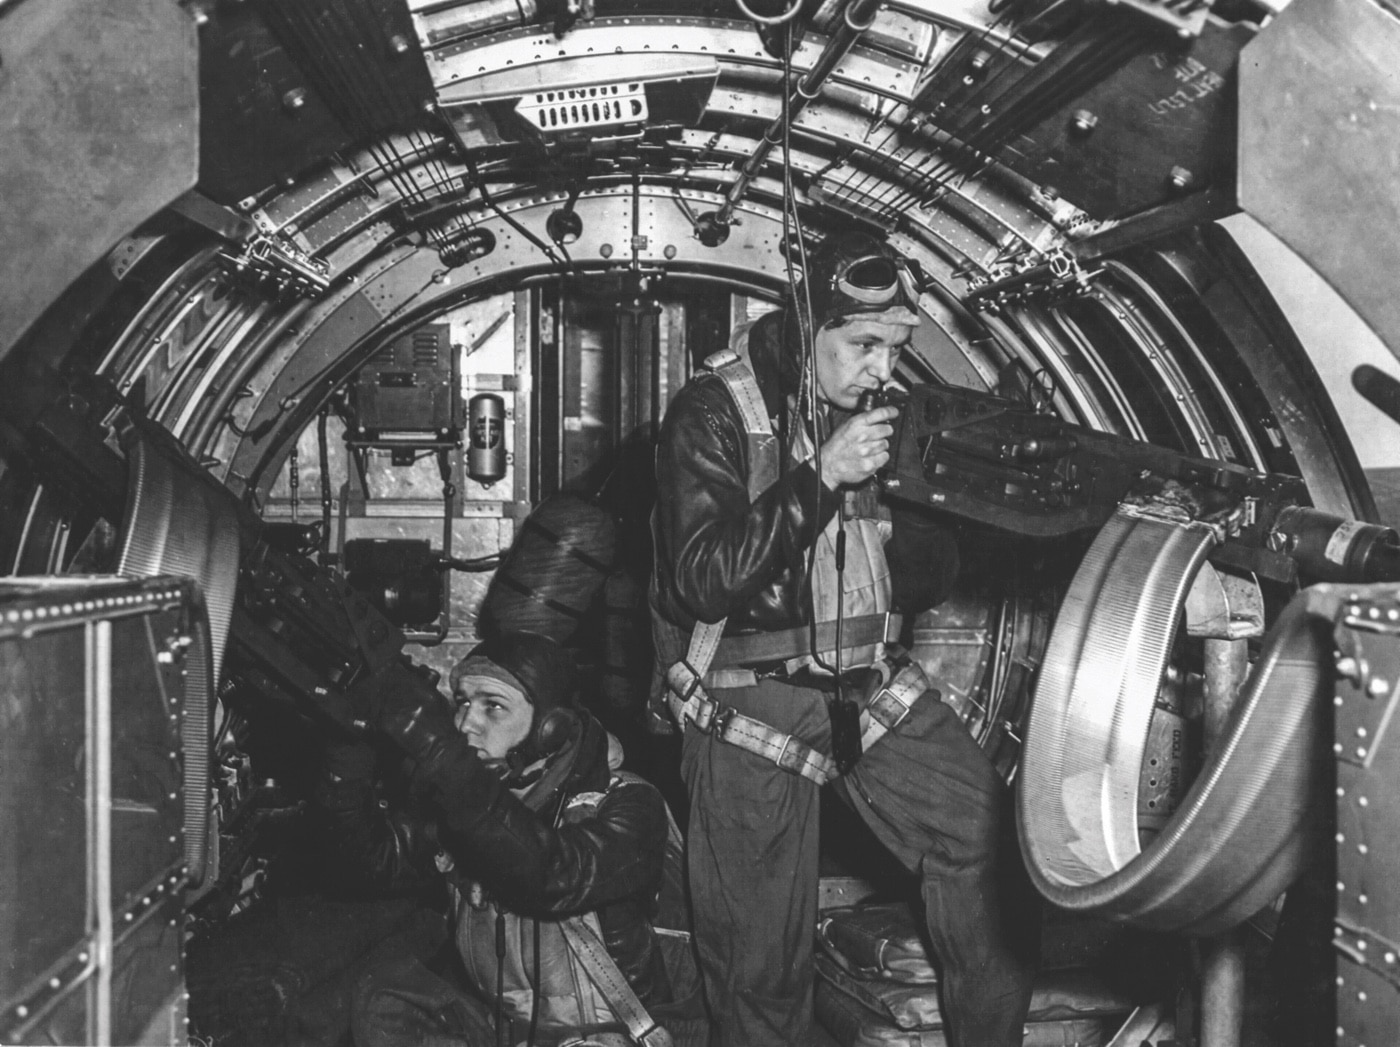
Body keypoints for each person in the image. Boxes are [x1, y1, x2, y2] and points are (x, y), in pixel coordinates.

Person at [649, 228, 1037, 1046]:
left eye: (894, 348)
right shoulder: (715, 412)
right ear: (806, 326)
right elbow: (702, 578)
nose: (881, 369)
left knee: (983, 838)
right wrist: (822, 475)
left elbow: (916, 572)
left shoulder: (874, 414)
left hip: (866, 681)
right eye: (863, 344)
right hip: (745, 698)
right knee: (759, 958)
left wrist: (944, 497)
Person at [316, 631, 699, 1047]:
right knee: (384, 1002)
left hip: (613, 1037)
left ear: (550, 728)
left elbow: (552, 874)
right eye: (462, 702)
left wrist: (446, 759)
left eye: (493, 707)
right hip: (511, 1032)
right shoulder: (469, 804)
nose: (465, 725)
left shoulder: (627, 804)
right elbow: (374, 862)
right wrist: (349, 752)